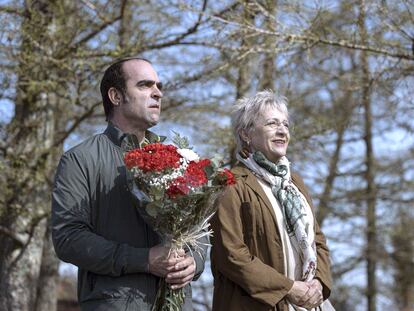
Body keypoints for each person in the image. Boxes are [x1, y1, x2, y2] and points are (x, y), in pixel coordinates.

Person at [52, 58, 207, 311]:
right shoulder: (80, 159)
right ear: (115, 96)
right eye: (145, 85)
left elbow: (198, 229)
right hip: (116, 303)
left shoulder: (179, 159)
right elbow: (68, 238)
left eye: (159, 86)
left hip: (178, 304)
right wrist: (143, 260)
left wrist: (194, 261)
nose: (157, 92)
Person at [210, 90, 334, 311]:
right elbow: (231, 255)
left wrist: (319, 283)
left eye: (285, 125)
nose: (282, 131)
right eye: (271, 124)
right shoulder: (230, 183)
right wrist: (288, 288)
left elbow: (319, 241)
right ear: (246, 133)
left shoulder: (295, 183)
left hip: (308, 305)